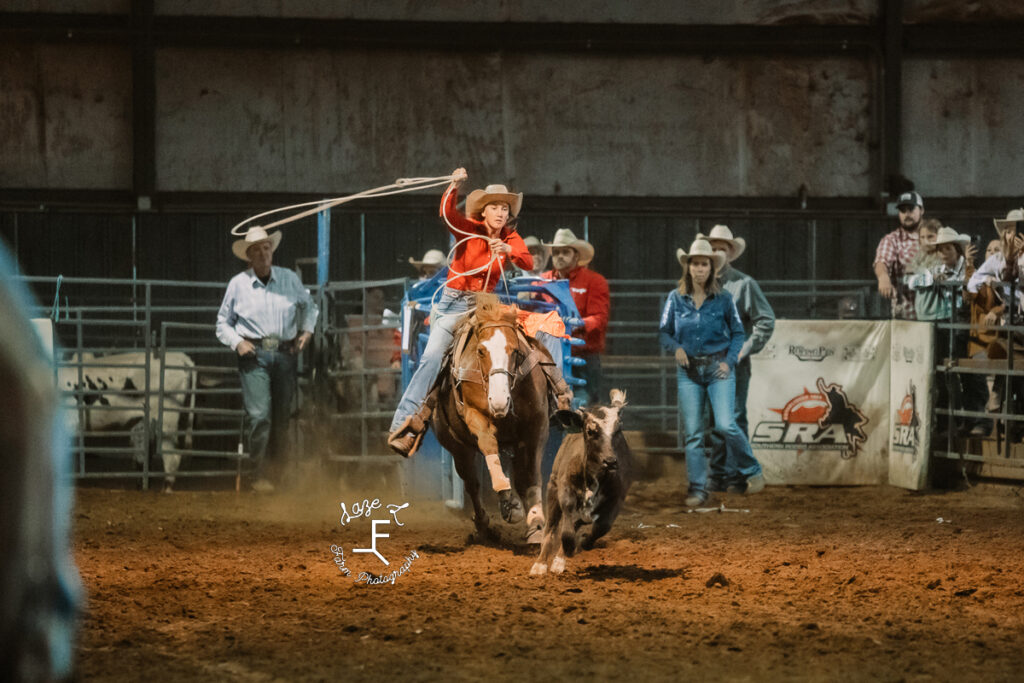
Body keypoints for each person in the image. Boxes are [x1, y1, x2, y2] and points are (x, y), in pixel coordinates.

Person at [387, 168, 574, 456]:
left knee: (548, 325)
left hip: (486, 303)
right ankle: (405, 423)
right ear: (483, 212)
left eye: (504, 208)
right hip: (453, 304)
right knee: (432, 355)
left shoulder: (510, 238)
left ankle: (555, 402)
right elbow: (448, 215)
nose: (500, 213)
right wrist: (453, 186)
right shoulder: (468, 229)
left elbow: (525, 260)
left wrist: (509, 252)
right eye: (494, 207)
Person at [659, 239, 764, 507]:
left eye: (704, 264)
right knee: (694, 433)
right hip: (689, 370)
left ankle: (751, 469)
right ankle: (697, 488)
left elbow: (739, 333)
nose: (699, 268)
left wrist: (730, 360)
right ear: (688, 267)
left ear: (710, 268)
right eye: (695, 263)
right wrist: (676, 348)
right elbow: (665, 332)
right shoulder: (675, 298)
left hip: (718, 367)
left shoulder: (725, 299)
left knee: (726, 424)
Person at [216, 226, 318, 492]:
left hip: (285, 353)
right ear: (249, 256)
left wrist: (307, 331)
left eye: (266, 248)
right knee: (261, 415)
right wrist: (237, 342)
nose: (263, 254)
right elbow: (222, 323)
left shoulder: (289, 279)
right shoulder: (238, 284)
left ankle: (278, 475)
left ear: (271, 251)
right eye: (257, 250)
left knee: (281, 417)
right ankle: (257, 475)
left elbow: (310, 306)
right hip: (255, 354)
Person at [699, 224, 775, 492]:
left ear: (730, 253)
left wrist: (744, 349)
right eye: (713, 247)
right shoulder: (700, 284)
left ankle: (734, 476)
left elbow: (765, 320)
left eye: (722, 248)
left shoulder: (744, 284)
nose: (717, 252)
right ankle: (719, 475)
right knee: (714, 420)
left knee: (731, 418)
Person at [908, 227, 987, 435]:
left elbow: (969, 293)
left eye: (948, 249)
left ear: (957, 251)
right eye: (941, 250)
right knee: (951, 374)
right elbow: (911, 281)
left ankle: (974, 421)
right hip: (953, 325)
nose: (943, 253)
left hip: (968, 325)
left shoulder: (968, 269)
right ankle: (961, 422)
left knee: (969, 374)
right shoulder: (938, 270)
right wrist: (932, 280)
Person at [541, 228, 610, 405]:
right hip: (549, 356)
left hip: (583, 356)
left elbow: (599, 318)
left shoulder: (594, 281)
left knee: (582, 407)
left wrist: (573, 325)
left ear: (576, 256)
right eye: (556, 252)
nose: (560, 256)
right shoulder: (542, 281)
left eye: (565, 252)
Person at [874, 191, 925, 319]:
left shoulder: (935, 235)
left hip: (935, 313)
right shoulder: (892, 240)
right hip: (908, 314)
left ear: (922, 210)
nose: (907, 214)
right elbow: (882, 260)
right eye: (903, 210)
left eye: (911, 209)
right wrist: (883, 276)